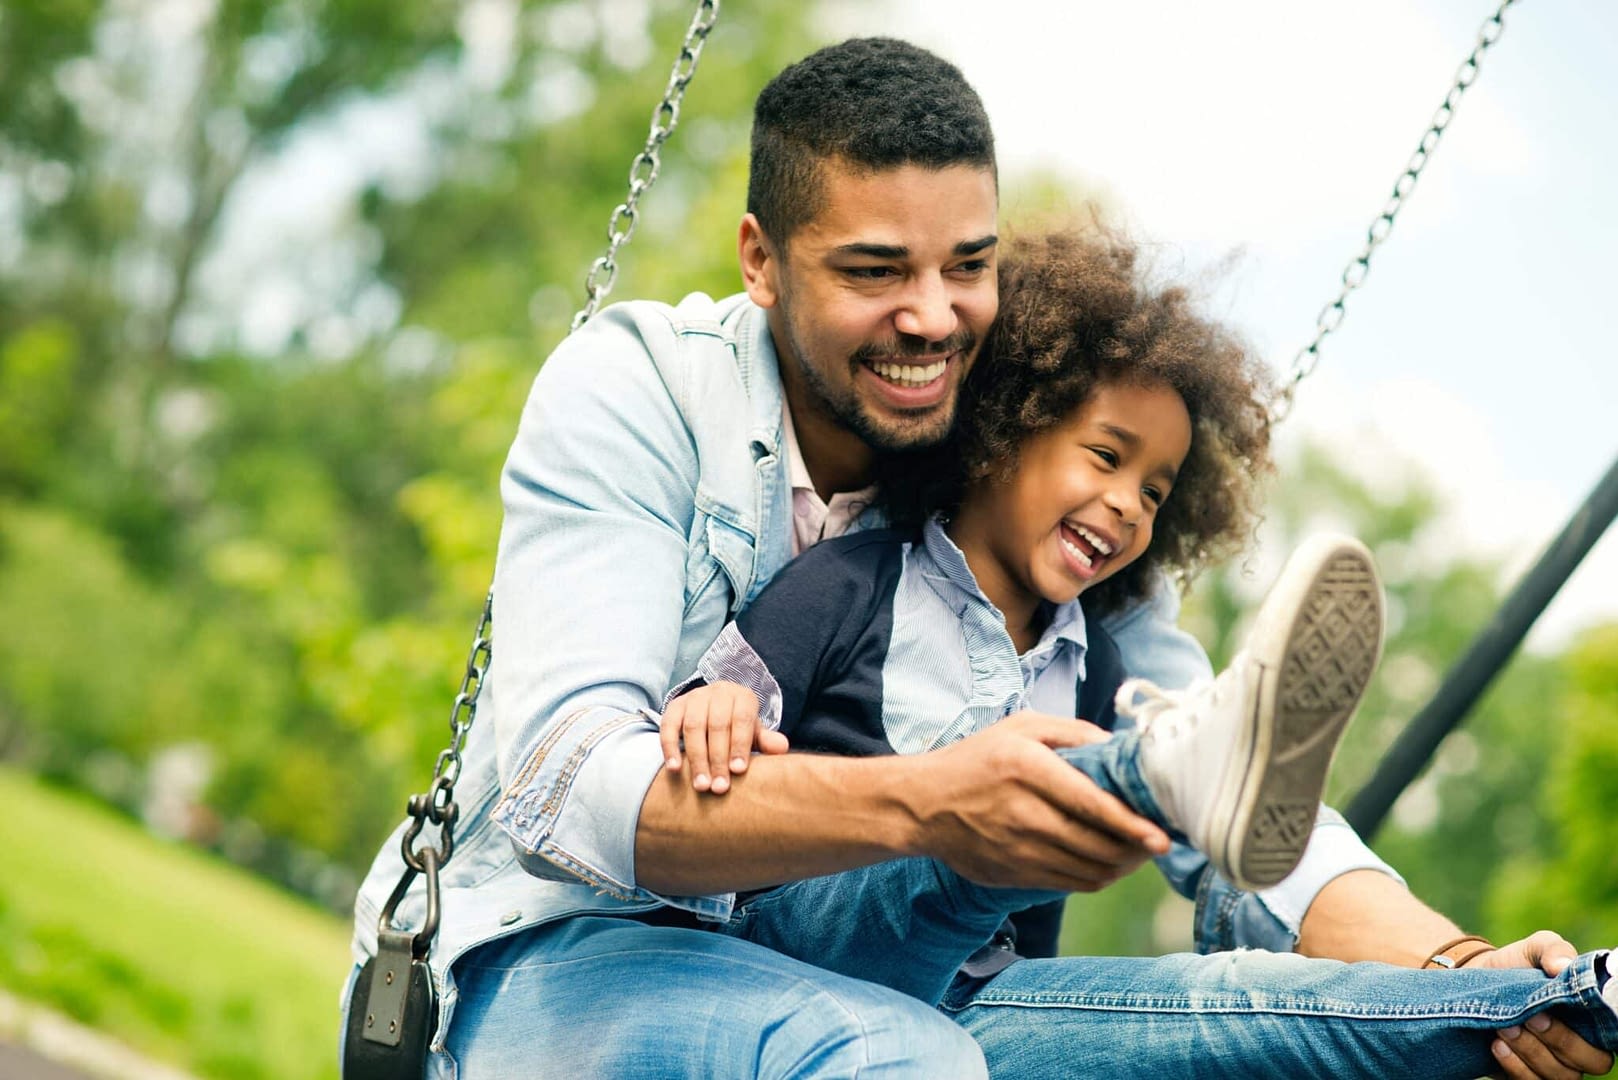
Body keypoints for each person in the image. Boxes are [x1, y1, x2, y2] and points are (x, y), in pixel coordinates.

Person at [344, 37, 1614, 1079]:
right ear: (760, 260)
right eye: (874, 271)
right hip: (560, 958)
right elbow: (568, 794)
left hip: (900, 986)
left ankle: (1529, 1006)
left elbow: (1247, 812)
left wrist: (1450, 962)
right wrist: (938, 799)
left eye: (969, 267)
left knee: (1233, 1018)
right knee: (911, 1052)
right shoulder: (640, 390)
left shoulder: (1022, 472)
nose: (934, 318)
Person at [650, 228, 1618, 1077]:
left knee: (1225, 1012)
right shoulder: (859, 581)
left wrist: (1473, 971)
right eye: (1105, 458)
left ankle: (1558, 999)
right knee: (961, 835)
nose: (1127, 504)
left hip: (978, 1023)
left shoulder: (1101, 672)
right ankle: (1165, 769)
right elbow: (715, 719)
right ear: (1000, 430)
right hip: (799, 967)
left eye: (1155, 493)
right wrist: (716, 706)